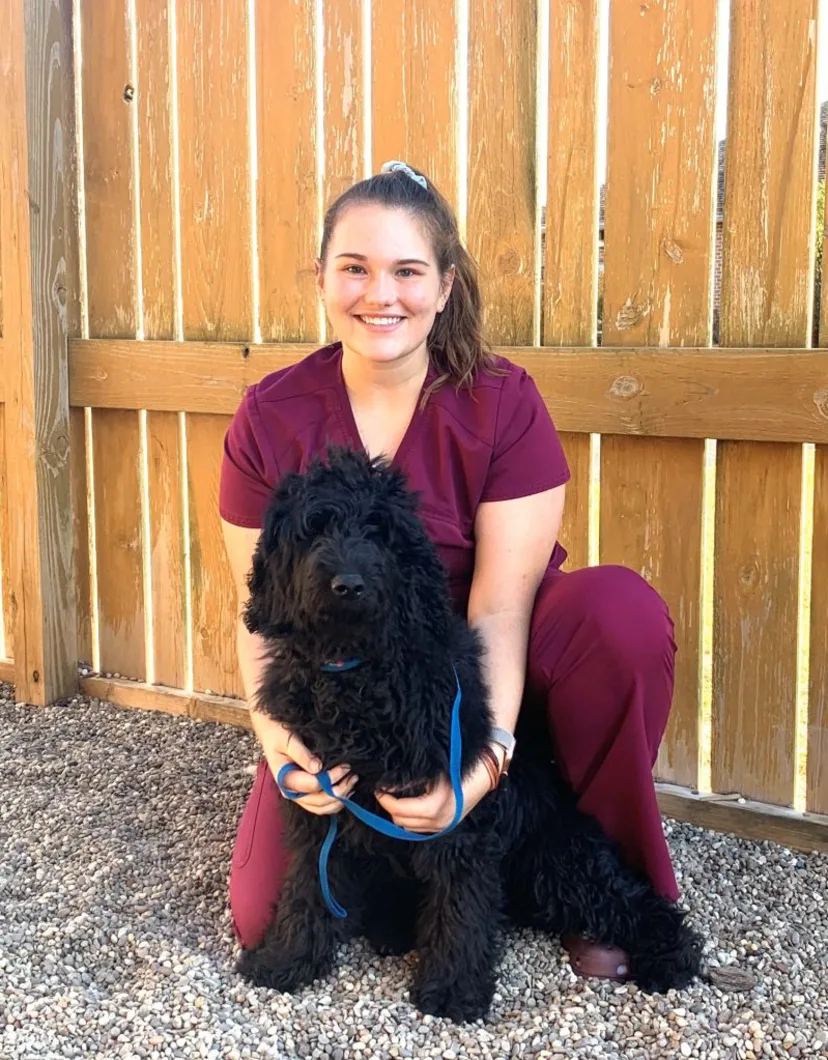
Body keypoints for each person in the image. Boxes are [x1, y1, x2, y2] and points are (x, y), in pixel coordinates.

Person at [219, 160, 680, 983]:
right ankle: (460, 877)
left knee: (620, 615)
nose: (379, 294)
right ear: (322, 277)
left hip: (486, 673)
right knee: (262, 914)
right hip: (342, 683)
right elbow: (257, 609)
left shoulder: (502, 402)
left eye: (406, 271)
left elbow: (499, 610)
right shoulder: (270, 415)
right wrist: (284, 747)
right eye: (354, 268)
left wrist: (478, 773)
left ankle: (606, 883)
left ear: (444, 284)